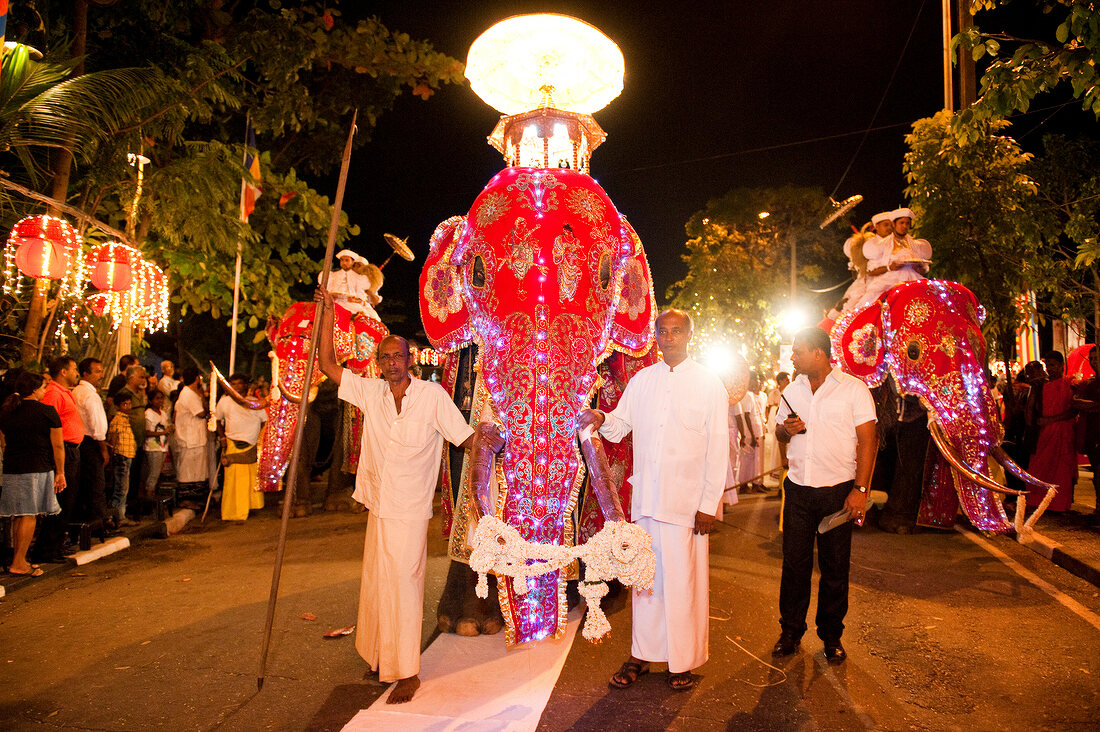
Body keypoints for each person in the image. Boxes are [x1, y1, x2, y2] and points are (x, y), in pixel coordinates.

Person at [316, 285, 475, 704]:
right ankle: (379, 658)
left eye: (397, 356)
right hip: (379, 505)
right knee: (377, 583)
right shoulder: (371, 392)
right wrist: (328, 314)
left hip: (410, 509)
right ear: (379, 362)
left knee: (404, 584)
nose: (391, 363)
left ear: (410, 359)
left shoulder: (431, 396)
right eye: (384, 357)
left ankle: (406, 672)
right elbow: (327, 363)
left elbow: (464, 438)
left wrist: (503, 444)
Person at [578, 309, 729, 692]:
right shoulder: (642, 380)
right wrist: (598, 416)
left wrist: (709, 504)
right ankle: (641, 656)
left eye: (676, 331)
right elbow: (619, 425)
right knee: (645, 583)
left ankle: (683, 662)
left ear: (689, 335)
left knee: (683, 585)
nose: (669, 337)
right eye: (663, 331)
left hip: (688, 506)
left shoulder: (709, 384)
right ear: (656, 336)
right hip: (647, 500)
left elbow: (718, 449)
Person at [773, 327, 877, 664]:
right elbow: (779, 431)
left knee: (835, 568)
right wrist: (784, 431)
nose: (793, 357)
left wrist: (860, 490)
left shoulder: (853, 390)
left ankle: (831, 636)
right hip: (799, 491)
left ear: (819, 353)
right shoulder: (792, 390)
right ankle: (790, 631)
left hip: (838, 492)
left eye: (798, 351)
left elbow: (868, 442)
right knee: (794, 566)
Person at [0, 371, 64, 576]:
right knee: (29, 515)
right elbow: (58, 446)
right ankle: (19, 562)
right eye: (43, 387)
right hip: (37, 468)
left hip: (12, 468)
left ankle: (20, 559)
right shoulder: (46, 411)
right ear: (35, 389)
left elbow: (3, 442)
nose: (45, 390)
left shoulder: (8, 411)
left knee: (20, 515)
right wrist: (61, 472)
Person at [36, 355, 84, 562]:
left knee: (68, 500)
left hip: (71, 449)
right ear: (63, 371)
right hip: (62, 450)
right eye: (74, 368)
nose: (76, 373)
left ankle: (54, 546)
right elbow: (49, 425)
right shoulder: (54, 393)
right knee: (60, 501)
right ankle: (46, 549)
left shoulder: (64, 392)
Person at [1027, 350, 1077, 513]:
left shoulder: (1070, 383)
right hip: (1045, 433)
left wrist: (1051, 420)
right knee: (1040, 466)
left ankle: (1060, 504)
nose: (1050, 368)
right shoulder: (1042, 386)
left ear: (1062, 366)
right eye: (1048, 365)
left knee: (1062, 469)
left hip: (1063, 433)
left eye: (1053, 365)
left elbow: (1073, 410)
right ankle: (1038, 501)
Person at [214, 373, 267, 521]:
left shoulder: (256, 402)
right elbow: (217, 420)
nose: (237, 386)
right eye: (234, 384)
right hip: (232, 443)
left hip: (251, 445)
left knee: (250, 479)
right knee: (233, 481)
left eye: (240, 383)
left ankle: (252, 506)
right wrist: (222, 438)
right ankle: (234, 512)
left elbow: (264, 421)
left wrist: (259, 438)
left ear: (246, 385)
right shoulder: (224, 402)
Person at [856, 208, 932, 308]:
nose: (905, 226)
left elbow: (923, 270)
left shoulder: (915, 245)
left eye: (907, 223)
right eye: (901, 223)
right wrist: (890, 267)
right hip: (889, 282)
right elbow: (870, 271)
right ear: (894, 224)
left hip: (913, 280)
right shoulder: (882, 245)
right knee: (872, 303)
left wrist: (919, 268)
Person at [73, 358, 111, 530]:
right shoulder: (89, 395)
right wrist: (103, 449)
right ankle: (97, 523)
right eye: (97, 371)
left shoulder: (76, 392)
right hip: (90, 442)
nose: (101, 375)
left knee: (84, 485)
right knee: (95, 485)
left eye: (101, 371)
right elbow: (97, 427)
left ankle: (88, 522)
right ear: (86, 373)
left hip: (80, 442)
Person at [173, 367, 210, 496]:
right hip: (190, 439)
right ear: (197, 379)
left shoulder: (191, 393)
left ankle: (195, 498)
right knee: (188, 471)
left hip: (195, 439)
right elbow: (201, 413)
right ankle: (187, 499)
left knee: (197, 471)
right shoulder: (188, 394)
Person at [107, 392, 138, 527]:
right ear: (118, 405)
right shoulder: (118, 420)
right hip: (121, 456)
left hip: (127, 454)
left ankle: (118, 515)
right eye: (125, 404)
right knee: (121, 488)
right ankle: (116, 516)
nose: (128, 406)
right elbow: (113, 439)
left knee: (123, 487)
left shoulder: (125, 419)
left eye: (129, 403)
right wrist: (111, 455)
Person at [319, 249, 376, 318]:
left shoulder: (359, 278)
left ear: (352, 262)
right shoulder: (333, 275)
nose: (344, 263)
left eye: (347, 260)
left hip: (353, 306)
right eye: (342, 260)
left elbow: (361, 297)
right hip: (333, 304)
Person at [142, 390, 173, 502]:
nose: (160, 401)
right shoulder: (148, 413)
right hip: (153, 447)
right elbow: (147, 432)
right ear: (150, 401)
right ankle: (148, 498)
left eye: (161, 398)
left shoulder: (163, 413)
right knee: (153, 474)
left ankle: (152, 496)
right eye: (157, 398)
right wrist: (163, 433)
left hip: (162, 446)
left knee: (158, 473)